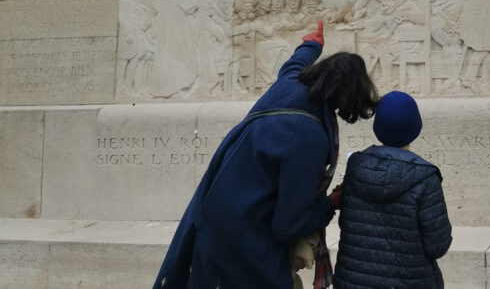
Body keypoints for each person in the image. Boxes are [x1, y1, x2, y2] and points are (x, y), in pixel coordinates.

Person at [154, 21, 379, 289]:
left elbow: (294, 64)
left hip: (216, 218)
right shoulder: (308, 135)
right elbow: (289, 222)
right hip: (245, 239)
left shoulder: (289, 85)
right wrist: (331, 203)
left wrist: (311, 44)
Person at [334, 91, 453, 288]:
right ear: (416, 127)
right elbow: (438, 245)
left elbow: (347, 225)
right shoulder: (424, 177)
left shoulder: (355, 166)